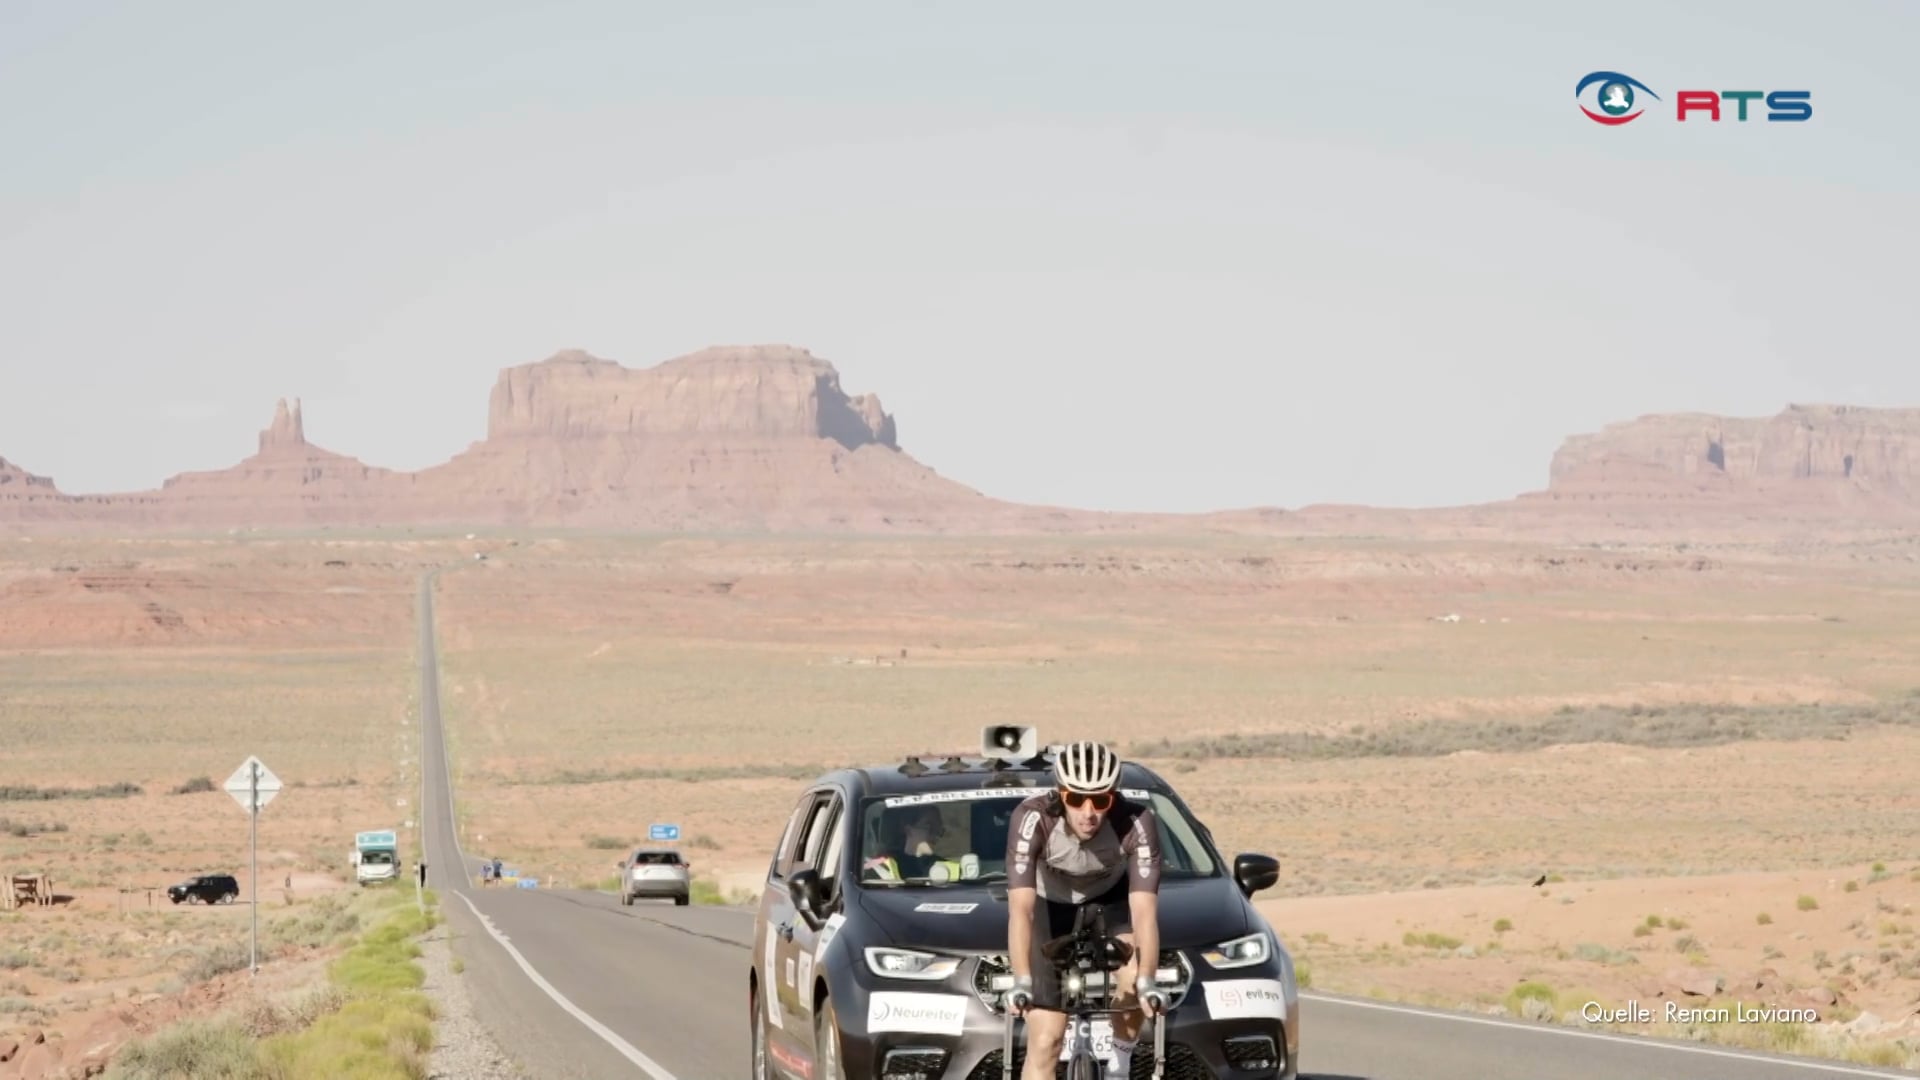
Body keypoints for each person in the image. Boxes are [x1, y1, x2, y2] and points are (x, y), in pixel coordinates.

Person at [1004, 740, 1165, 1079]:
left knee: (1135, 979)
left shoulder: (1136, 822)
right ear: (1060, 794)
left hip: (1110, 899)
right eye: (1076, 799)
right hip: (1051, 905)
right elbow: (1021, 910)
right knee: (1047, 1039)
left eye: (1101, 799)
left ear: (1114, 797)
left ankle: (1119, 1065)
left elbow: (1144, 912)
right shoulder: (1032, 819)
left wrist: (1148, 978)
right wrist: (1020, 980)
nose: (1088, 812)